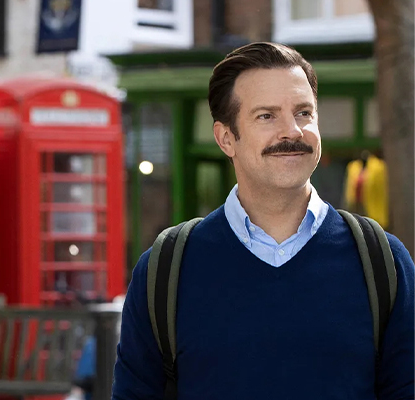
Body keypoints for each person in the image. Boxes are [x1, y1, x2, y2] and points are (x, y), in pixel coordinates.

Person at [112, 42, 414, 399]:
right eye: (266, 116)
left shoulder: (382, 263)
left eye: (304, 113)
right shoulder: (165, 271)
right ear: (226, 139)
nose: (293, 131)